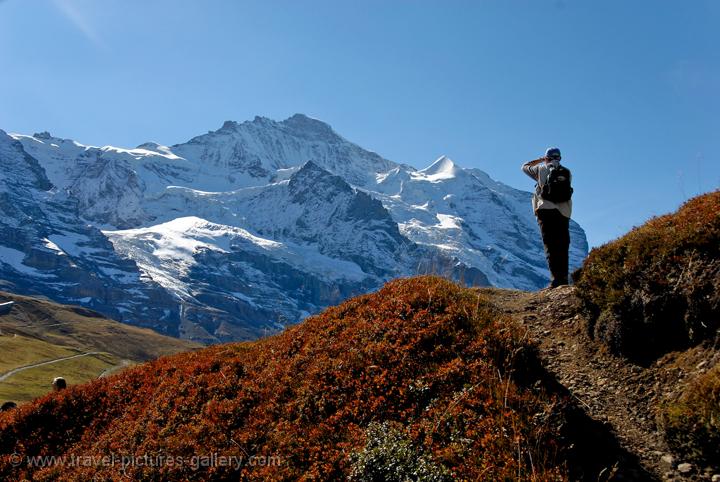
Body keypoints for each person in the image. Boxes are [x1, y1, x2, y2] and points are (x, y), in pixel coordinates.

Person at [521, 147, 572, 288]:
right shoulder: (567, 172)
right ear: (559, 158)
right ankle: (564, 279)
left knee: (550, 246)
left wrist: (540, 160)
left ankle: (556, 280)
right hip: (563, 213)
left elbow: (524, 166)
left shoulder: (540, 170)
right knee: (562, 246)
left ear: (546, 158)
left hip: (545, 211)